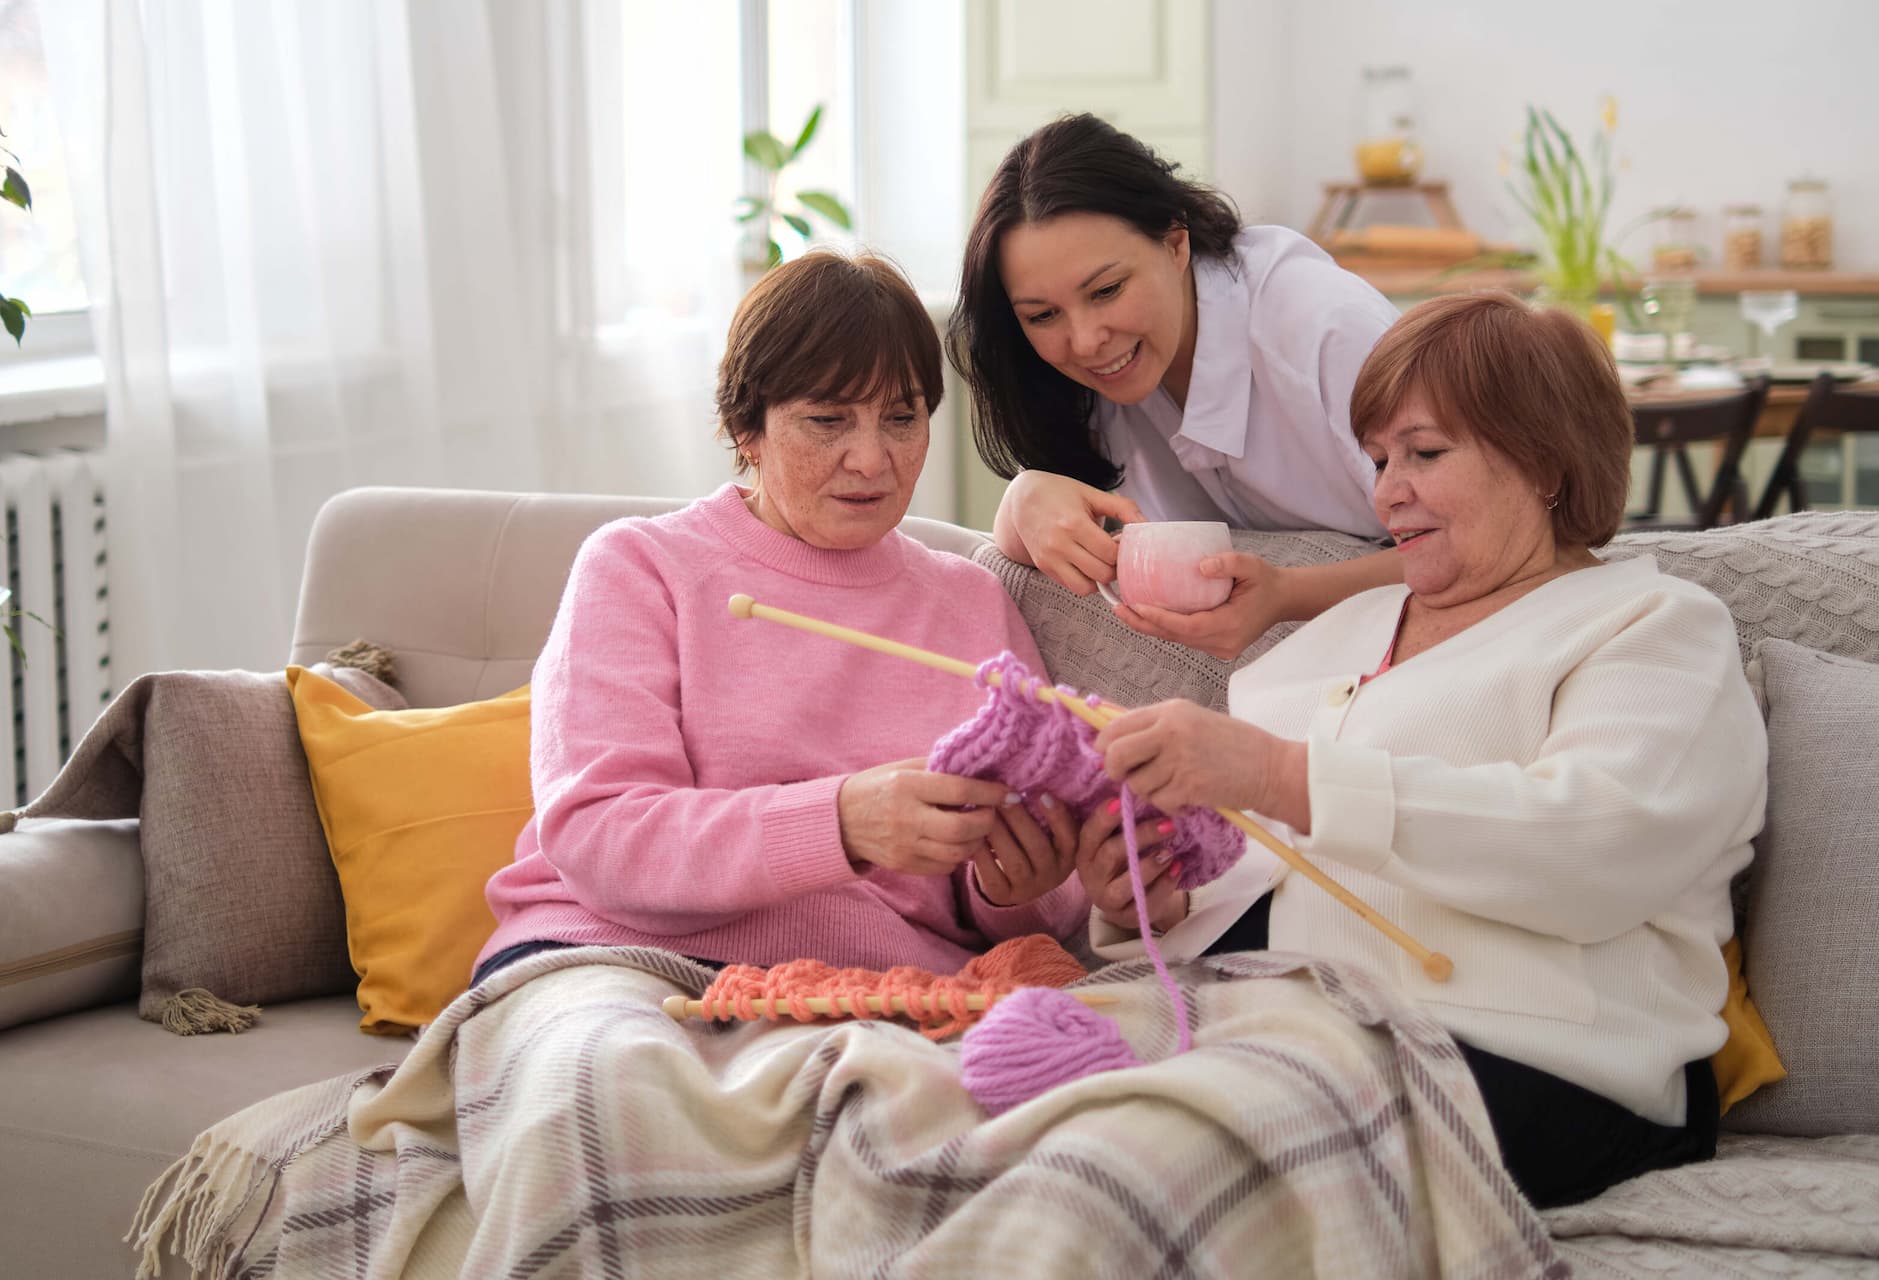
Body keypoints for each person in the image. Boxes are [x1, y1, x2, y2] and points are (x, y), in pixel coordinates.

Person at [1077, 292, 1767, 1208]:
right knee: (978, 1108)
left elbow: (1597, 848)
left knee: (1157, 1170)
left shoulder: (1653, 626)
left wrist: (1283, 776)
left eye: (1425, 453)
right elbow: (1249, 877)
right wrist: (1146, 902)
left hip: (1537, 1057)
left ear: (1545, 463)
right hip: (1267, 1034)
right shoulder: (1330, 638)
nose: (1386, 490)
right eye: (1379, 458)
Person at [473, 251, 1088, 987]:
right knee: (621, 1084)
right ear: (747, 429)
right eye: (827, 421)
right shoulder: (639, 567)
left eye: (902, 418)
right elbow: (602, 835)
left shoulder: (973, 603)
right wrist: (841, 821)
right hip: (612, 956)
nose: (872, 458)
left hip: (880, 982)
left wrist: (1014, 887)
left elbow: (1047, 907)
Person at [948, 113, 1406, 661]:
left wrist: (1286, 596)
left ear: (1175, 244)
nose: (1087, 341)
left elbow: (1494, 543)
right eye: (1043, 315)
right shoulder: (1077, 384)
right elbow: (1026, 543)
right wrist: (1025, 497)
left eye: (1108, 290)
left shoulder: (1326, 330)